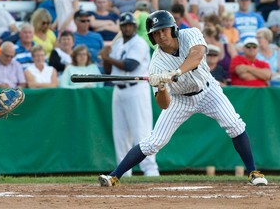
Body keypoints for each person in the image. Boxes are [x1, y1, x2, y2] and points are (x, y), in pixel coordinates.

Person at [98, 10, 268, 187]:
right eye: (156, 32)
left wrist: (176, 72)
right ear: (152, 37)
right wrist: (162, 86)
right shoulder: (156, 64)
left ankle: (253, 172)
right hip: (180, 99)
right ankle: (114, 176)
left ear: (173, 29)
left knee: (234, 124)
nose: (161, 35)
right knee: (154, 142)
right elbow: (164, 104)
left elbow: (197, 55)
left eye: (164, 30)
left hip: (208, 90)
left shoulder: (190, 33)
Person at [99, 12, 159, 177]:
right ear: (121, 27)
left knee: (142, 132)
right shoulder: (117, 44)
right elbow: (108, 71)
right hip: (119, 90)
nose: (127, 28)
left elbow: (130, 66)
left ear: (135, 26)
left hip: (136, 89)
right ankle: (123, 173)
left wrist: (107, 57)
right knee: (120, 133)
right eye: (124, 25)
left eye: (130, 25)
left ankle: (151, 171)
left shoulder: (139, 43)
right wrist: (106, 58)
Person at [203, 14, 238, 85]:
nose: (205, 28)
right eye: (205, 25)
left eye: (208, 26)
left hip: (228, 83)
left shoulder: (228, 47)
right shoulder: (202, 49)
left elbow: (237, 65)